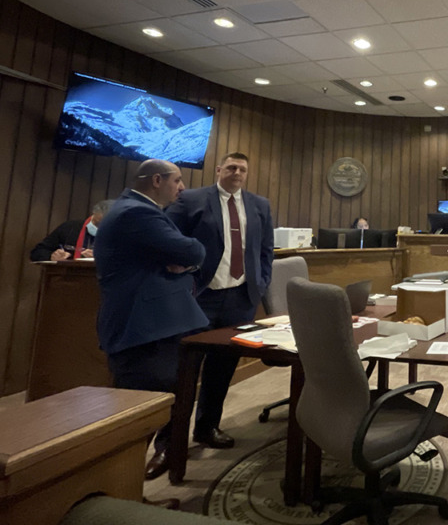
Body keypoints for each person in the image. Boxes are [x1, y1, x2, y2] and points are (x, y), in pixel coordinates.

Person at [95, 160, 207, 483]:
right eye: (178, 180)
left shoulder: (139, 211)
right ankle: (115, 496)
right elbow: (193, 251)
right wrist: (186, 258)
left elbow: (181, 257)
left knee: (154, 410)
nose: (182, 187)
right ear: (157, 180)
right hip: (143, 332)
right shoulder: (137, 213)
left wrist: (181, 262)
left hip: (157, 328)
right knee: (137, 420)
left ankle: (127, 493)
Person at [165, 152, 274, 449]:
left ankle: (207, 427)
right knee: (184, 370)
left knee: (222, 370)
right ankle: (169, 444)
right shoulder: (192, 200)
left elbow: (266, 251)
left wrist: (260, 284)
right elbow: (166, 238)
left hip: (241, 299)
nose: (237, 173)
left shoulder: (259, 205)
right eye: (232, 167)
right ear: (219, 170)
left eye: (243, 169)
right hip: (200, 297)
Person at [29, 199, 114, 261]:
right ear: (94, 214)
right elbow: (37, 252)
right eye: (97, 223)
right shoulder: (69, 228)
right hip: (68, 279)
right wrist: (51, 256)